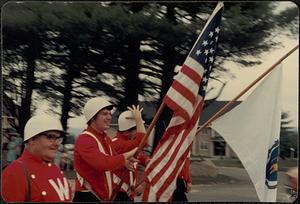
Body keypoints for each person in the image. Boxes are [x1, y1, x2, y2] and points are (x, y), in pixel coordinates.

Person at [73, 96, 138, 202]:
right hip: (87, 196)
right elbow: (102, 163)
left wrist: (125, 162)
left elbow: (113, 159)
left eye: (109, 113)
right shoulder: (84, 139)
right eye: (104, 114)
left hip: (101, 197)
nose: (109, 117)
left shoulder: (106, 139)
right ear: (93, 118)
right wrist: (126, 156)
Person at [2, 114, 72, 202]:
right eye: (50, 137)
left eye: (58, 138)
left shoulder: (55, 170)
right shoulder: (15, 171)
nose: (57, 143)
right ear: (32, 139)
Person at [111, 105, 149, 201]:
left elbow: (137, 155)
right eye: (138, 128)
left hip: (126, 193)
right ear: (130, 130)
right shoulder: (117, 144)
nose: (139, 131)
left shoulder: (126, 143)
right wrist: (138, 120)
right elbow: (143, 142)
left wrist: (146, 160)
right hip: (118, 193)